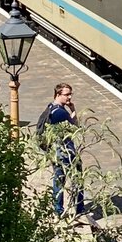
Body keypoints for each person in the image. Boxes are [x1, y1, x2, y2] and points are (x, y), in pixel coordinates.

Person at [43, 83, 85, 216]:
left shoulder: (51, 108)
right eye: (67, 94)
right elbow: (75, 128)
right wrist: (73, 111)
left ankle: (58, 210)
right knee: (77, 178)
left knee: (58, 179)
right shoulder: (60, 113)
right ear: (58, 95)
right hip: (65, 150)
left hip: (55, 150)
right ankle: (78, 209)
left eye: (70, 94)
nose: (70, 97)